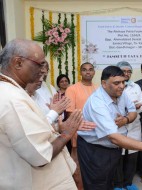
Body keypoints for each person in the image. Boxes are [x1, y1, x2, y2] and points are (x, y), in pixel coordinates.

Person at [0, 39, 83, 189]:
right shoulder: (13, 100)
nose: (43, 70)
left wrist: (56, 129)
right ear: (18, 63)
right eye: (40, 64)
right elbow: (41, 155)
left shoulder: (13, 91)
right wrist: (66, 134)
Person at [77, 66, 142, 190]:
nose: (122, 86)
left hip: (114, 148)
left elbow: (133, 112)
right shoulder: (97, 103)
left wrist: (126, 119)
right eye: (116, 83)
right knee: (98, 184)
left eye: (123, 82)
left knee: (111, 183)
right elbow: (113, 137)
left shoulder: (120, 93)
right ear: (104, 83)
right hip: (96, 150)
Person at [114, 61, 142, 190]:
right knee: (119, 155)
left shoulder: (135, 87)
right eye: (124, 71)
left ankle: (128, 183)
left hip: (134, 126)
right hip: (119, 125)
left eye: (129, 72)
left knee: (132, 155)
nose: (127, 74)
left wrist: (135, 107)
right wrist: (129, 108)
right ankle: (118, 184)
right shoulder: (114, 86)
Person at [65, 62, 97, 190]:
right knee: (79, 167)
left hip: (97, 132)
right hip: (80, 132)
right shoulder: (72, 89)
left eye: (90, 70)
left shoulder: (99, 88)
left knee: (94, 165)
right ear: (80, 72)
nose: (87, 72)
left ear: (94, 72)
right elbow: (69, 113)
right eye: (84, 70)